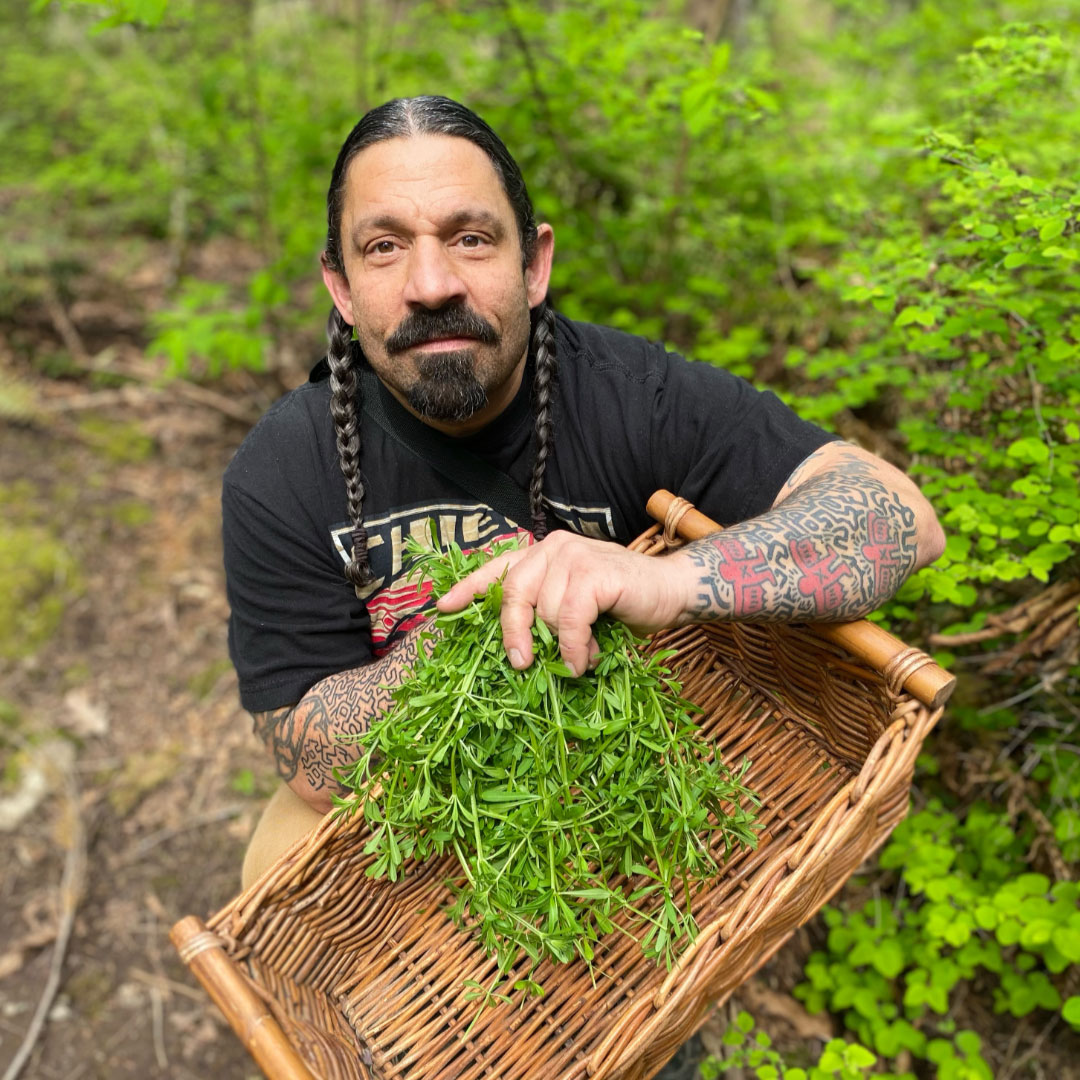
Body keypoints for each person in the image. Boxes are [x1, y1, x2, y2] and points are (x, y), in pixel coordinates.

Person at [225, 95, 945, 890]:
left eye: (470, 238)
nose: (431, 285)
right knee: (272, 878)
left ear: (534, 265)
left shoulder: (634, 396)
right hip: (418, 798)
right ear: (342, 285)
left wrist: (669, 581)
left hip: (624, 773)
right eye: (385, 247)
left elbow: (900, 519)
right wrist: (465, 646)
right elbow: (308, 761)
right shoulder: (282, 469)